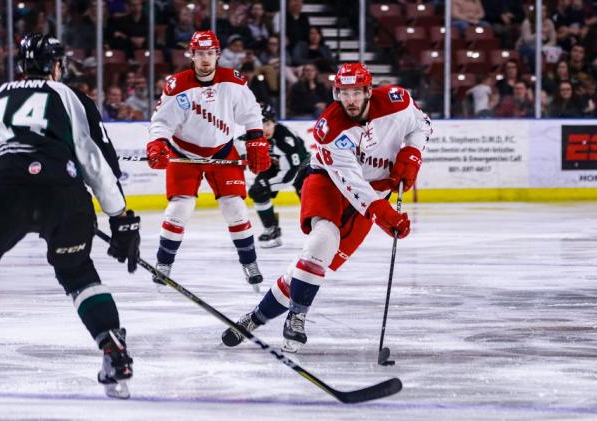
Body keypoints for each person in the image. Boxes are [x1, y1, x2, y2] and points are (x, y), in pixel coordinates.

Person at [222, 63, 431, 353]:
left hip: (375, 192)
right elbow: (352, 184)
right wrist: (382, 212)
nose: (350, 100)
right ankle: (297, 317)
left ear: (369, 91)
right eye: (343, 93)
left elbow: (422, 125)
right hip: (328, 181)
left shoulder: (398, 102)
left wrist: (413, 153)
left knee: (313, 261)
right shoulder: (330, 129)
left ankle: (255, 318)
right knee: (324, 237)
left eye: (356, 92)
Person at [0, 33, 139, 399]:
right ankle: (111, 347)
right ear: (58, 65)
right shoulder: (69, 96)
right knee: (77, 272)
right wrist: (119, 217)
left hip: (4, 188)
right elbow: (94, 158)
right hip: (62, 190)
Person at [146, 30, 271, 290]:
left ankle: (249, 262)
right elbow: (161, 122)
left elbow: (251, 113)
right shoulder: (177, 85)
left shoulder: (234, 81)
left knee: (235, 208)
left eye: (210, 53)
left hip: (222, 152)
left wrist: (256, 140)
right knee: (179, 209)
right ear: (191, 55)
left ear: (218, 54)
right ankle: (164, 264)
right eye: (200, 53)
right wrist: (158, 143)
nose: (205, 59)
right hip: (184, 154)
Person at [238, 102, 310, 248]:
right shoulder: (251, 136)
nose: (265, 129)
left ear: (274, 122)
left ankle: (322, 233)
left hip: (301, 170)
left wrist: (268, 184)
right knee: (257, 192)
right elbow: (234, 146)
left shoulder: (284, 139)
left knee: (310, 204)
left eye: (268, 123)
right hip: (276, 166)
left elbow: (291, 173)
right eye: (260, 124)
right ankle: (271, 230)